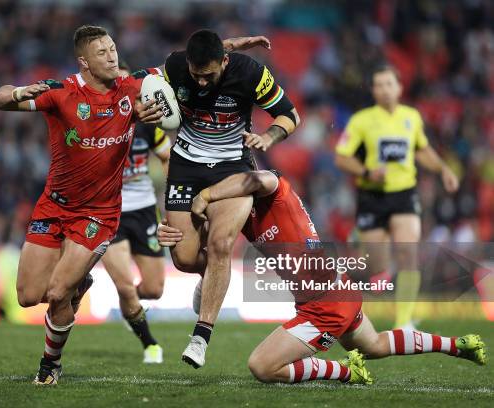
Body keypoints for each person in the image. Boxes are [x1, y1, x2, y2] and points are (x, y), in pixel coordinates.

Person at [158, 170, 486, 385]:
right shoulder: (243, 218)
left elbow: (256, 179)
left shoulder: (274, 186)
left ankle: (345, 371)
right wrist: (173, 236)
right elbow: (208, 258)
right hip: (332, 291)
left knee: (261, 365)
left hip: (324, 303)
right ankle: (459, 345)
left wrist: (208, 194)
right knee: (374, 344)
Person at [0, 25, 163, 385]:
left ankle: (49, 365)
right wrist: (21, 91)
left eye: (113, 48)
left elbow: (185, 61)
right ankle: (80, 282)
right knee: (27, 297)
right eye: (103, 52)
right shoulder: (60, 93)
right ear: (84, 61)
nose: (113, 56)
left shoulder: (133, 87)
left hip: (99, 215)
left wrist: (229, 48)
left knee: (57, 294)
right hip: (53, 207)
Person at [162, 29, 300, 368]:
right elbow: (142, 90)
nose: (203, 83)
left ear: (225, 61)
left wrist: (269, 135)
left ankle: (200, 337)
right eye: (197, 75)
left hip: (232, 168)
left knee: (222, 245)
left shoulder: (250, 72)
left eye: (209, 75)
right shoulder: (174, 66)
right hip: (185, 166)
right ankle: (207, 277)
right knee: (182, 258)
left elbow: (290, 115)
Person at [335, 64, 459, 329]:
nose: (384, 90)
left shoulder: (411, 117)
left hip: (404, 194)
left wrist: (443, 169)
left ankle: (404, 322)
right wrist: (367, 171)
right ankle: (368, 248)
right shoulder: (362, 120)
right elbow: (341, 157)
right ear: (372, 90)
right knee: (376, 271)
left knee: (407, 251)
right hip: (372, 196)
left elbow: (422, 150)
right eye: (378, 85)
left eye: (389, 84)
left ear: (400, 88)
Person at [99, 62, 171, 364]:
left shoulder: (148, 124)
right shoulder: (98, 123)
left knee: (153, 290)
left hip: (144, 210)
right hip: (108, 212)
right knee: (126, 285)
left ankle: (130, 305)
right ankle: (150, 344)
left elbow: (167, 156)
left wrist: (171, 200)